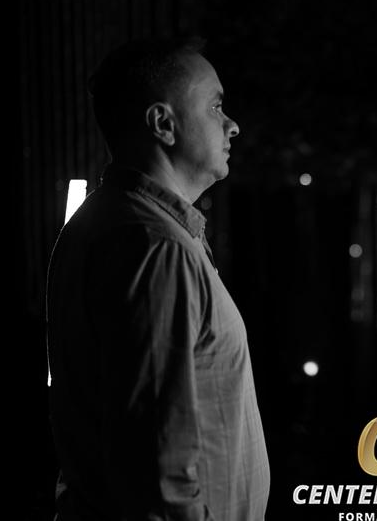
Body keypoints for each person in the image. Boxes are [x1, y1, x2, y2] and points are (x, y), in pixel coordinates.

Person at [46, 37, 269, 521]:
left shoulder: (123, 226)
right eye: (215, 106)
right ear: (163, 123)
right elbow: (158, 473)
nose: (232, 124)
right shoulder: (153, 246)